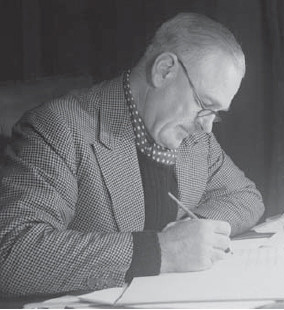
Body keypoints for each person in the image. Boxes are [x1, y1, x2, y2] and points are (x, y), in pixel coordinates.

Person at [0, 12, 264, 297]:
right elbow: (13, 252)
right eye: (204, 104)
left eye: (215, 113)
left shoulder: (196, 138)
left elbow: (246, 197)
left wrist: (192, 233)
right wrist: (160, 250)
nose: (207, 125)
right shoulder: (59, 127)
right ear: (164, 70)